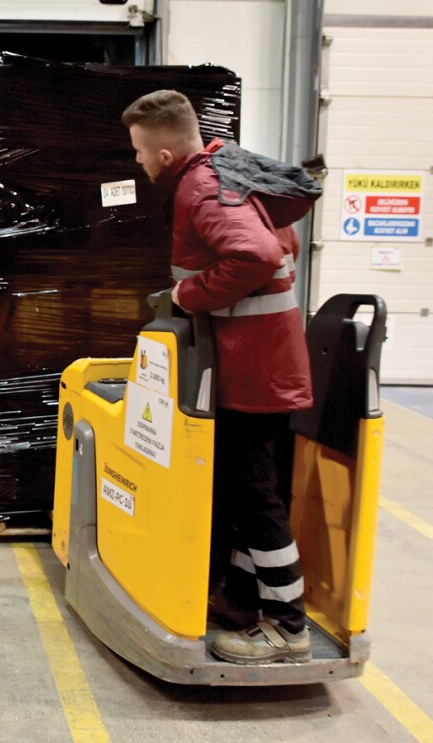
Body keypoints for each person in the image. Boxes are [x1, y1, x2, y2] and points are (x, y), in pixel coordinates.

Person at [122, 90, 319, 664]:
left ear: (162, 153)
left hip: (253, 369)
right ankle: (239, 599)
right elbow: (287, 244)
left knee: (254, 495)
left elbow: (255, 254)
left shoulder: (201, 186)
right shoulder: (231, 170)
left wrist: (187, 295)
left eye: (137, 151)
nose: (136, 162)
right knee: (239, 489)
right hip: (261, 364)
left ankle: (287, 628)